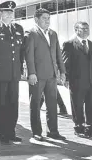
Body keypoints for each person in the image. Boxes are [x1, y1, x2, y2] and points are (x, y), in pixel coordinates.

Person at [0, 1, 25, 144]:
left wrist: (21, 69)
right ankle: (2, 133)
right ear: (1, 13)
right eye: (6, 12)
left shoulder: (18, 28)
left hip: (14, 73)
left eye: (11, 12)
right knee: (2, 103)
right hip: (0, 72)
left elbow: (21, 52)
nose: (9, 14)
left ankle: (11, 131)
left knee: (13, 103)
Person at [24, 8, 67, 141]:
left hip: (52, 76)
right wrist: (31, 73)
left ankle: (53, 131)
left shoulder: (53, 34)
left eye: (48, 18)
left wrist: (63, 71)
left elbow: (58, 55)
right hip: (37, 76)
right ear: (36, 19)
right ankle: (37, 132)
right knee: (35, 104)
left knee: (52, 104)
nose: (47, 21)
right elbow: (29, 56)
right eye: (44, 18)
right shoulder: (30, 34)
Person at [62, 22, 92, 140]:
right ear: (76, 30)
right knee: (77, 106)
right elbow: (65, 64)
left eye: (87, 28)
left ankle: (90, 128)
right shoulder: (69, 44)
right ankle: (79, 128)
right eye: (83, 29)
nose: (86, 31)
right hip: (77, 82)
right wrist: (66, 79)